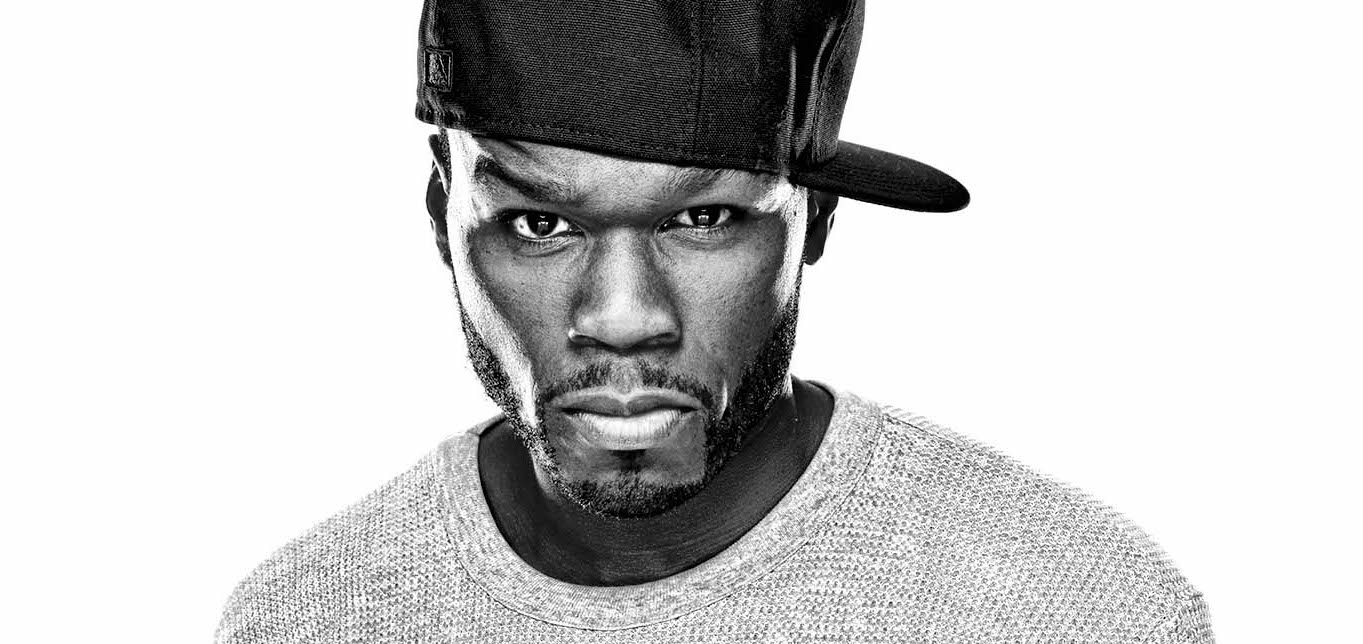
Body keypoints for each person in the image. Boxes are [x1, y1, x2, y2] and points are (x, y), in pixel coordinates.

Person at [216, 0, 1212, 642]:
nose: (623, 318)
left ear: (816, 217)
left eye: (702, 220)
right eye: (540, 223)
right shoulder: (309, 617)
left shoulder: (1063, 606)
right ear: (443, 212)